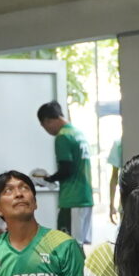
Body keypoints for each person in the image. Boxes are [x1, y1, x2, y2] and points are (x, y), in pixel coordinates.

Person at [35, 100, 94, 241]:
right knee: (78, 244)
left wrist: (47, 179)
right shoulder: (78, 133)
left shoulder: (63, 136)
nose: (47, 131)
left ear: (48, 121)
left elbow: (66, 169)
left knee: (68, 245)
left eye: (44, 126)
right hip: (86, 197)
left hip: (72, 199)